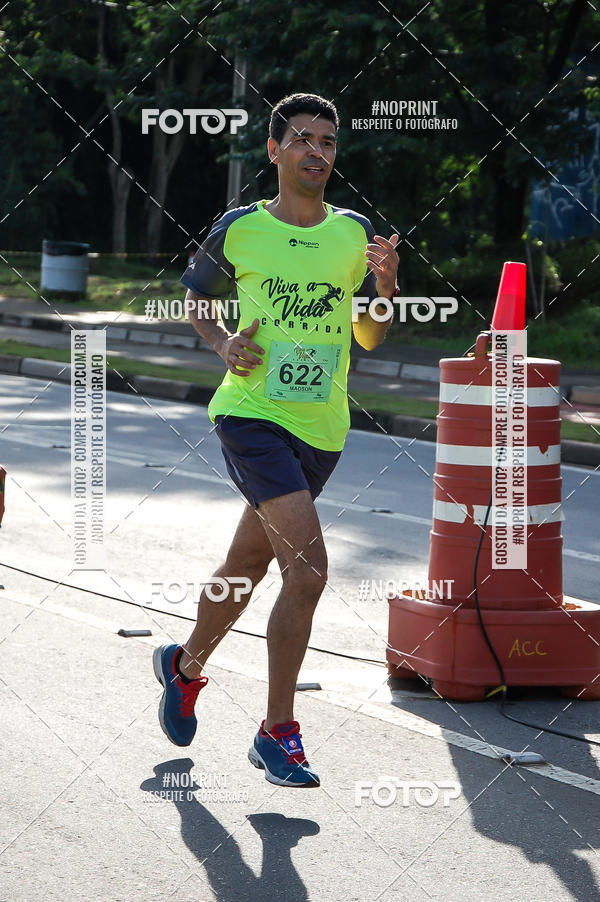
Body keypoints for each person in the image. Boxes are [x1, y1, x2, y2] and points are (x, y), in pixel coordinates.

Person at [154, 92, 399, 788]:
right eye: (301, 139)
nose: (316, 151)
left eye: (327, 141)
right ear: (274, 150)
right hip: (251, 414)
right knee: (310, 570)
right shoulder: (239, 228)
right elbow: (195, 297)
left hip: (322, 427)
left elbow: (369, 333)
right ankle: (277, 733)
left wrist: (384, 288)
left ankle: (185, 665)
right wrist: (221, 340)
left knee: (249, 563)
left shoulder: (355, 233)